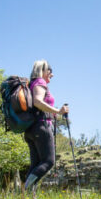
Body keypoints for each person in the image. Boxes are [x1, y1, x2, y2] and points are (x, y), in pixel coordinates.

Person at [23, 60, 69, 192]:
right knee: (48, 161)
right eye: (50, 71)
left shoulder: (31, 84)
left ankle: (28, 198)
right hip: (41, 127)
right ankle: (26, 189)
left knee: (36, 165)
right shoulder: (40, 82)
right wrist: (57, 111)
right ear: (42, 70)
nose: (52, 75)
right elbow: (38, 101)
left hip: (31, 129)